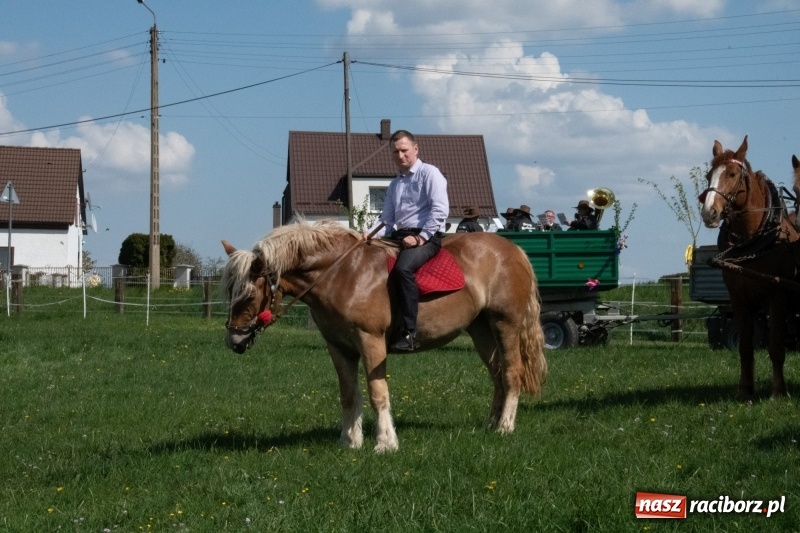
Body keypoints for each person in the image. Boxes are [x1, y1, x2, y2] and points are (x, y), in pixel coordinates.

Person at [364, 130, 449, 351]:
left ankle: (411, 333)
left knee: (402, 269)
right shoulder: (395, 184)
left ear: (415, 149)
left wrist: (421, 238)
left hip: (427, 236)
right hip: (400, 237)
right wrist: (369, 234)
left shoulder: (430, 173)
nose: (400, 155)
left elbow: (440, 210)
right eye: (395, 152)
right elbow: (387, 220)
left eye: (404, 150)